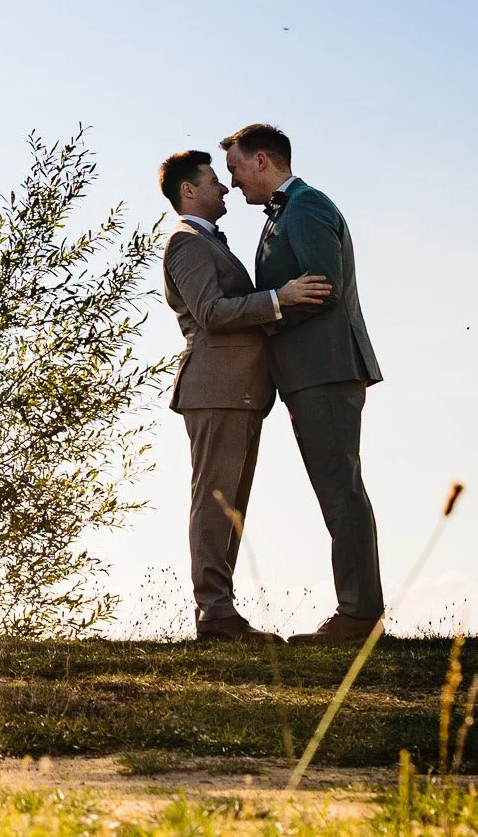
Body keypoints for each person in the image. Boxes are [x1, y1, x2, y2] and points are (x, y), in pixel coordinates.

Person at [222, 122, 387, 645]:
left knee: (341, 491)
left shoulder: (307, 206)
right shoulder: (283, 213)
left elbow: (323, 289)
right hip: (309, 374)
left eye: (236, 169)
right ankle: (359, 610)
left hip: (326, 369)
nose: (233, 182)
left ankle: (359, 616)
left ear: (262, 160)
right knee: (336, 489)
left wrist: (267, 315)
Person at [159, 150, 332, 641]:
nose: (225, 188)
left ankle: (221, 613)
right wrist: (281, 298)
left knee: (230, 504)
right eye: (214, 180)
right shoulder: (187, 242)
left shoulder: (208, 242)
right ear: (188, 191)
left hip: (239, 392)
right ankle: (215, 615)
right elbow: (211, 313)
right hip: (215, 389)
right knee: (214, 502)